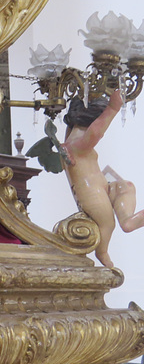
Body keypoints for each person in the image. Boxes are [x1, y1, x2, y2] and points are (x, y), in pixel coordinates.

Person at [62, 90, 144, 268]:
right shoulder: (76, 145)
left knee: (126, 186)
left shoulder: (70, 141)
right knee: (107, 223)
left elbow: (84, 131)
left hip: (101, 185)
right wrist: (112, 109)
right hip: (90, 192)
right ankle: (102, 252)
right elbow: (96, 134)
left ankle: (128, 219)